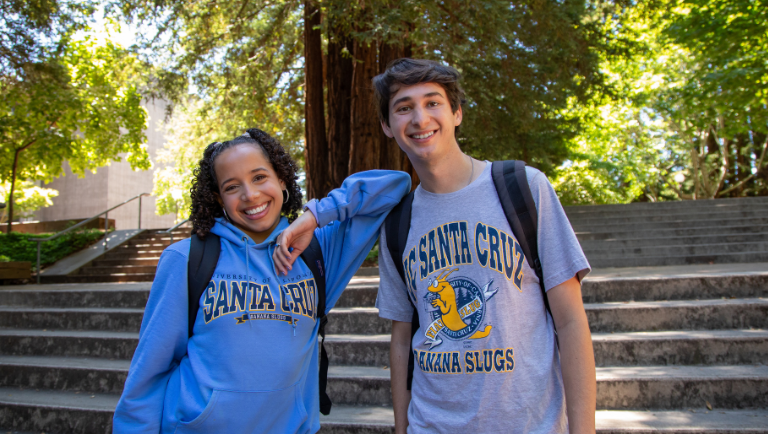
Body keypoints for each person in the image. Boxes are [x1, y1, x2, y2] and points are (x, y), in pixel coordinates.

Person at [113, 128, 411, 433]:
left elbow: (395, 185)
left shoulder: (316, 252)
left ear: (282, 180)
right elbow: (149, 369)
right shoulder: (186, 259)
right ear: (219, 198)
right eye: (232, 187)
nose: (250, 195)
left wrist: (313, 216)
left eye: (259, 177)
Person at [372, 59, 596, 433]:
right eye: (403, 107)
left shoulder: (523, 188)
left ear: (456, 113)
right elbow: (401, 338)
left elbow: (571, 321)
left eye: (433, 102)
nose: (420, 118)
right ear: (387, 126)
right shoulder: (398, 221)